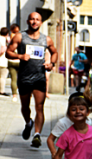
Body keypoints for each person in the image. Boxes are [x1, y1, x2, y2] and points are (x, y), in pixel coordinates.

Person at [5, 12, 58, 148]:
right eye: (32, 19)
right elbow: (8, 52)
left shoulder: (46, 39)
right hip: (24, 77)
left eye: (37, 19)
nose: (34, 22)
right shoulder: (20, 36)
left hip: (39, 77)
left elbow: (55, 52)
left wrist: (51, 64)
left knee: (39, 107)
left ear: (41, 22)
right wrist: (20, 56)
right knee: (25, 106)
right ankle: (28, 122)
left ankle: (37, 135)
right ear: (28, 21)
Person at [6, 24, 20, 101]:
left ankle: (14, 95)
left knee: (13, 79)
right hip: (19, 60)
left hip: (11, 61)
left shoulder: (8, 39)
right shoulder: (20, 38)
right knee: (21, 78)